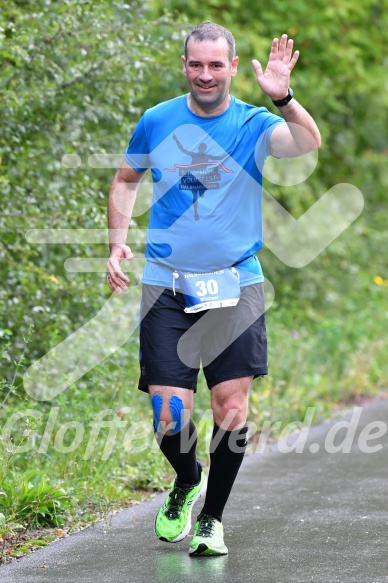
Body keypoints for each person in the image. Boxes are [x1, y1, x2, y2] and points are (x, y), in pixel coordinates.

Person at [106, 22, 320, 556]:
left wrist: (286, 98)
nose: (206, 74)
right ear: (185, 66)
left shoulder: (252, 122)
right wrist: (116, 243)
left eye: (216, 65)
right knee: (169, 415)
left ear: (231, 66)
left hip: (235, 282)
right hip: (167, 285)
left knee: (231, 409)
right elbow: (125, 180)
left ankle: (212, 519)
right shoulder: (157, 120)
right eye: (196, 64)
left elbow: (306, 144)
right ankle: (185, 479)